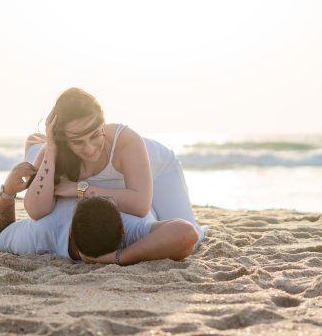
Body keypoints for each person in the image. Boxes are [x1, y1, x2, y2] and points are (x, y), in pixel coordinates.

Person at [23, 88, 206, 240]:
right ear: (63, 139)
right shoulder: (55, 148)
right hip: (52, 149)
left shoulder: (125, 139)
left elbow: (141, 206)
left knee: (193, 237)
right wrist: (52, 148)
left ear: (103, 124)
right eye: (78, 141)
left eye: (95, 135)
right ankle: (35, 142)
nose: (89, 149)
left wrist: (81, 189)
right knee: (36, 155)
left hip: (158, 169)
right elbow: (36, 211)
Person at [0, 162, 199, 265]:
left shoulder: (43, 232)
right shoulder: (134, 231)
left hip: (79, 170)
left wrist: (7, 193)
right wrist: (119, 258)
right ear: (123, 230)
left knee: (35, 149)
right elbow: (187, 234)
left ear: (70, 226)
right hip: (151, 168)